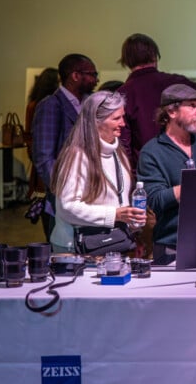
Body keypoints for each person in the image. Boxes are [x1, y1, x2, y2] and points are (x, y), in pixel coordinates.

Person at [117, 33, 196, 169]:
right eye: (192, 105)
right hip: (179, 168)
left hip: (143, 173)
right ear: (154, 56)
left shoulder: (122, 94)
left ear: (126, 61)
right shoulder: (174, 83)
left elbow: (123, 145)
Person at [48, 91, 146, 252]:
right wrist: (115, 215)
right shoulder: (77, 156)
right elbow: (68, 207)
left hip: (112, 242)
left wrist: (133, 230)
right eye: (116, 118)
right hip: (76, 248)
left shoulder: (117, 152)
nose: (123, 123)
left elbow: (119, 201)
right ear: (95, 122)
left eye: (123, 117)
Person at [137, 84, 196, 264]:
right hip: (170, 248)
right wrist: (192, 186)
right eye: (192, 105)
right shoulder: (152, 152)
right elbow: (154, 200)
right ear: (172, 112)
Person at [32, 54, 99, 242]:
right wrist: (62, 190)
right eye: (92, 74)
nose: (96, 79)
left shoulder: (91, 104)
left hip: (92, 192)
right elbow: (44, 158)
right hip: (64, 195)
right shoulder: (51, 105)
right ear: (75, 75)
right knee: (64, 250)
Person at [25, 67, 59, 201]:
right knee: (44, 196)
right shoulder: (36, 106)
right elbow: (29, 134)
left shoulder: (37, 104)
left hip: (47, 156)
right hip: (44, 156)